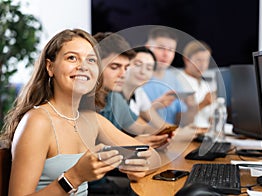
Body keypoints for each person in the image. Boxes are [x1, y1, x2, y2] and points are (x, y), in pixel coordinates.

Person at [0, 29, 160, 195]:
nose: (83, 66)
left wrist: (141, 165)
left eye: (91, 60)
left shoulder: (90, 120)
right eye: (72, 58)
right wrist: (74, 177)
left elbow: (153, 155)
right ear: (50, 67)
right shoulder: (37, 121)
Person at [93, 32, 170, 149]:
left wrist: (160, 134)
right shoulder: (81, 103)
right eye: (114, 67)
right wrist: (132, 143)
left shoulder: (115, 98)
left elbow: (139, 128)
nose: (123, 74)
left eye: (126, 67)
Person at [143, 26, 197, 126]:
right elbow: (128, 119)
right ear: (147, 48)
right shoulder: (137, 78)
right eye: (160, 48)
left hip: (170, 136)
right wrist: (155, 106)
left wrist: (191, 108)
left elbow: (180, 122)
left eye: (171, 50)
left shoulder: (174, 79)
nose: (166, 54)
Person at [180, 40, 216, 128]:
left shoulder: (205, 85)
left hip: (206, 132)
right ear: (186, 60)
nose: (203, 65)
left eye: (206, 60)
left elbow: (210, 117)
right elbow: (181, 120)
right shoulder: (178, 82)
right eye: (198, 60)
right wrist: (203, 103)